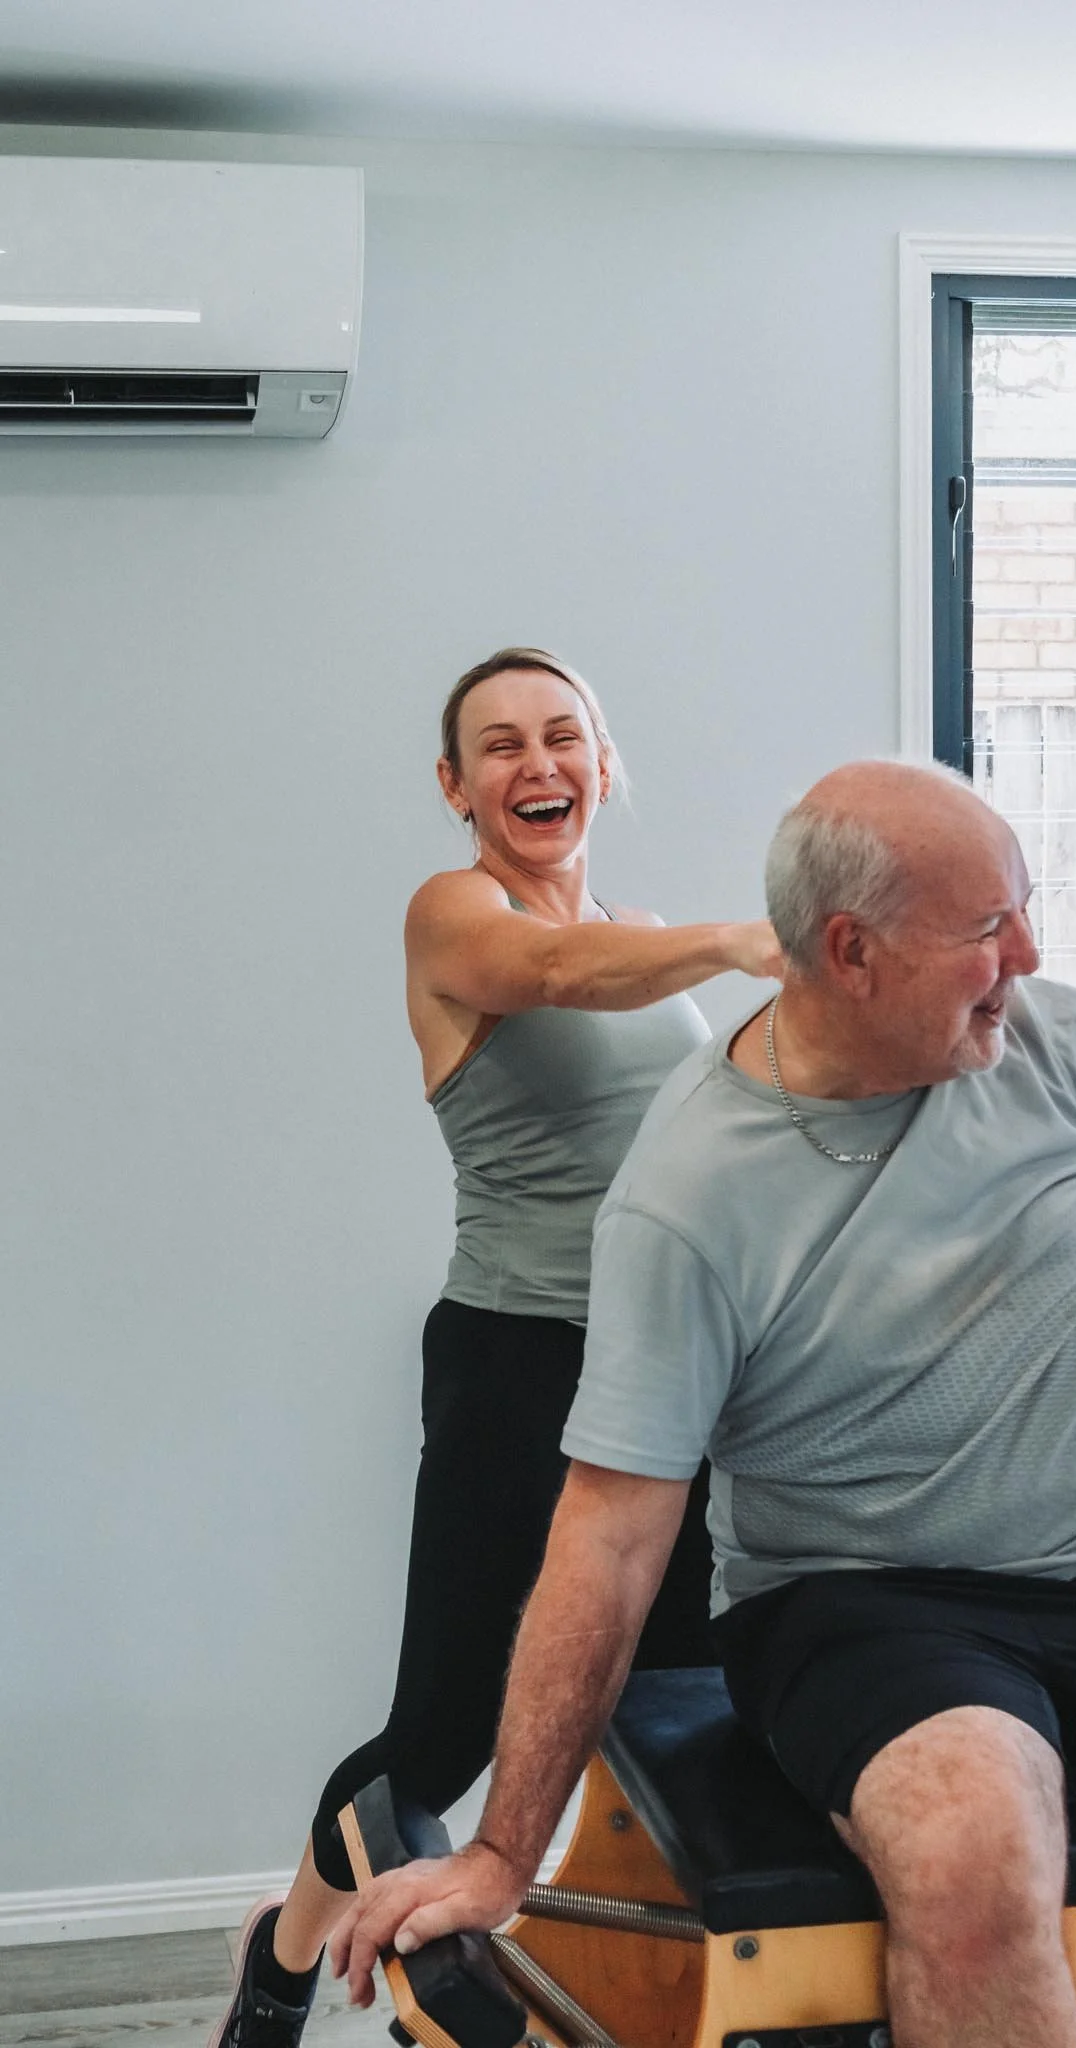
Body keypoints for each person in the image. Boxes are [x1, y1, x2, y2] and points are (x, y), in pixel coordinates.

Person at [332, 759, 1076, 2047]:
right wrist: (502, 1855)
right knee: (975, 1866)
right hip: (862, 1607)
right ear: (851, 953)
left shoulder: (1042, 1043)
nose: (1028, 956)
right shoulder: (687, 1199)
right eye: (988, 929)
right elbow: (608, 1534)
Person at [209, 647, 781, 2048]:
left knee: (666, 1704)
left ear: (603, 761)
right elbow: (549, 971)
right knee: (449, 1735)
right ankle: (282, 1963)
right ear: (456, 786)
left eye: (564, 737)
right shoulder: (455, 917)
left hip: (673, 1378)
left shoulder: (640, 938)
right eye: (503, 746)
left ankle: (627, 1987)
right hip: (517, 1367)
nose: (540, 765)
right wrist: (735, 940)